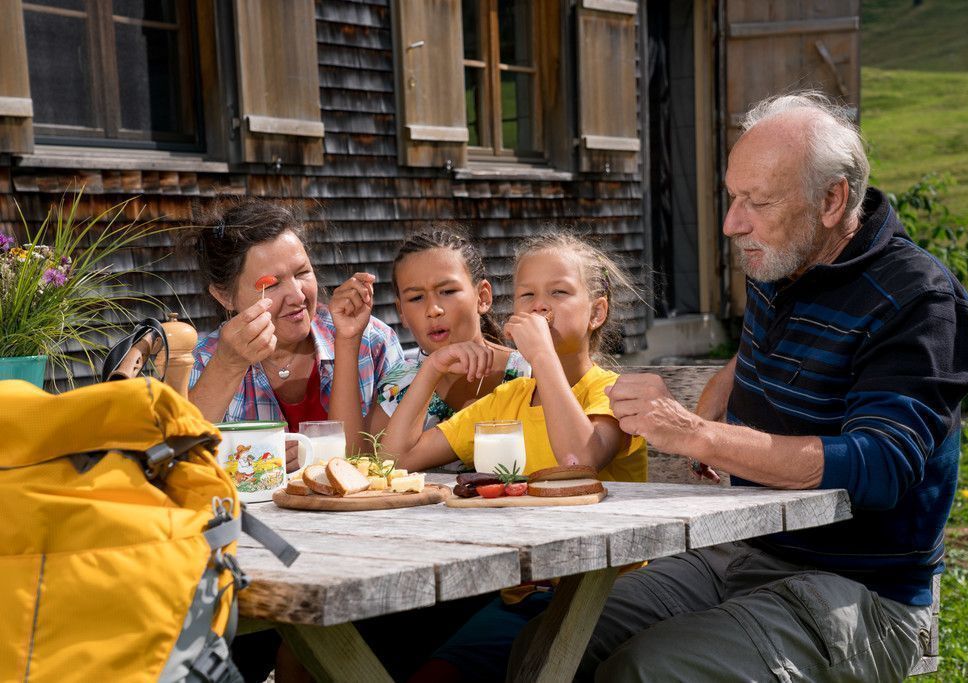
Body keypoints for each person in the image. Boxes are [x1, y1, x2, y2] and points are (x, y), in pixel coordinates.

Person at [533, 91, 968, 681]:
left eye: (757, 202)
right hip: (744, 546)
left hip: (857, 593)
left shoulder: (919, 300)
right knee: (549, 645)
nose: (730, 224)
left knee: (647, 673)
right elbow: (779, 345)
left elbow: (881, 465)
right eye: (732, 196)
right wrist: (725, 378)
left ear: (833, 200)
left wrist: (699, 434)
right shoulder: (782, 258)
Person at [383, 231, 648, 681]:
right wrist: (431, 368)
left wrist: (542, 356)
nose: (541, 306)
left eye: (559, 293)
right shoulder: (507, 400)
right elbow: (396, 459)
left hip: (607, 592)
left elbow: (575, 461)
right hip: (523, 595)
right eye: (528, 296)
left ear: (596, 312)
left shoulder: (612, 393)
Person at [185, 199, 404, 462]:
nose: (297, 295)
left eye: (302, 273)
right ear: (224, 296)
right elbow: (178, 459)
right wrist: (227, 366)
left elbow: (396, 456)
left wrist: (315, 455)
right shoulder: (200, 361)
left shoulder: (372, 341)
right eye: (272, 284)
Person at [367, 227, 531, 435]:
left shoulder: (529, 373)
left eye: (447, 291)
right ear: (402, 312)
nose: (433, 310)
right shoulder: (398, 388)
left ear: (482, 297)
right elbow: (367, 460)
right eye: (416, 298)